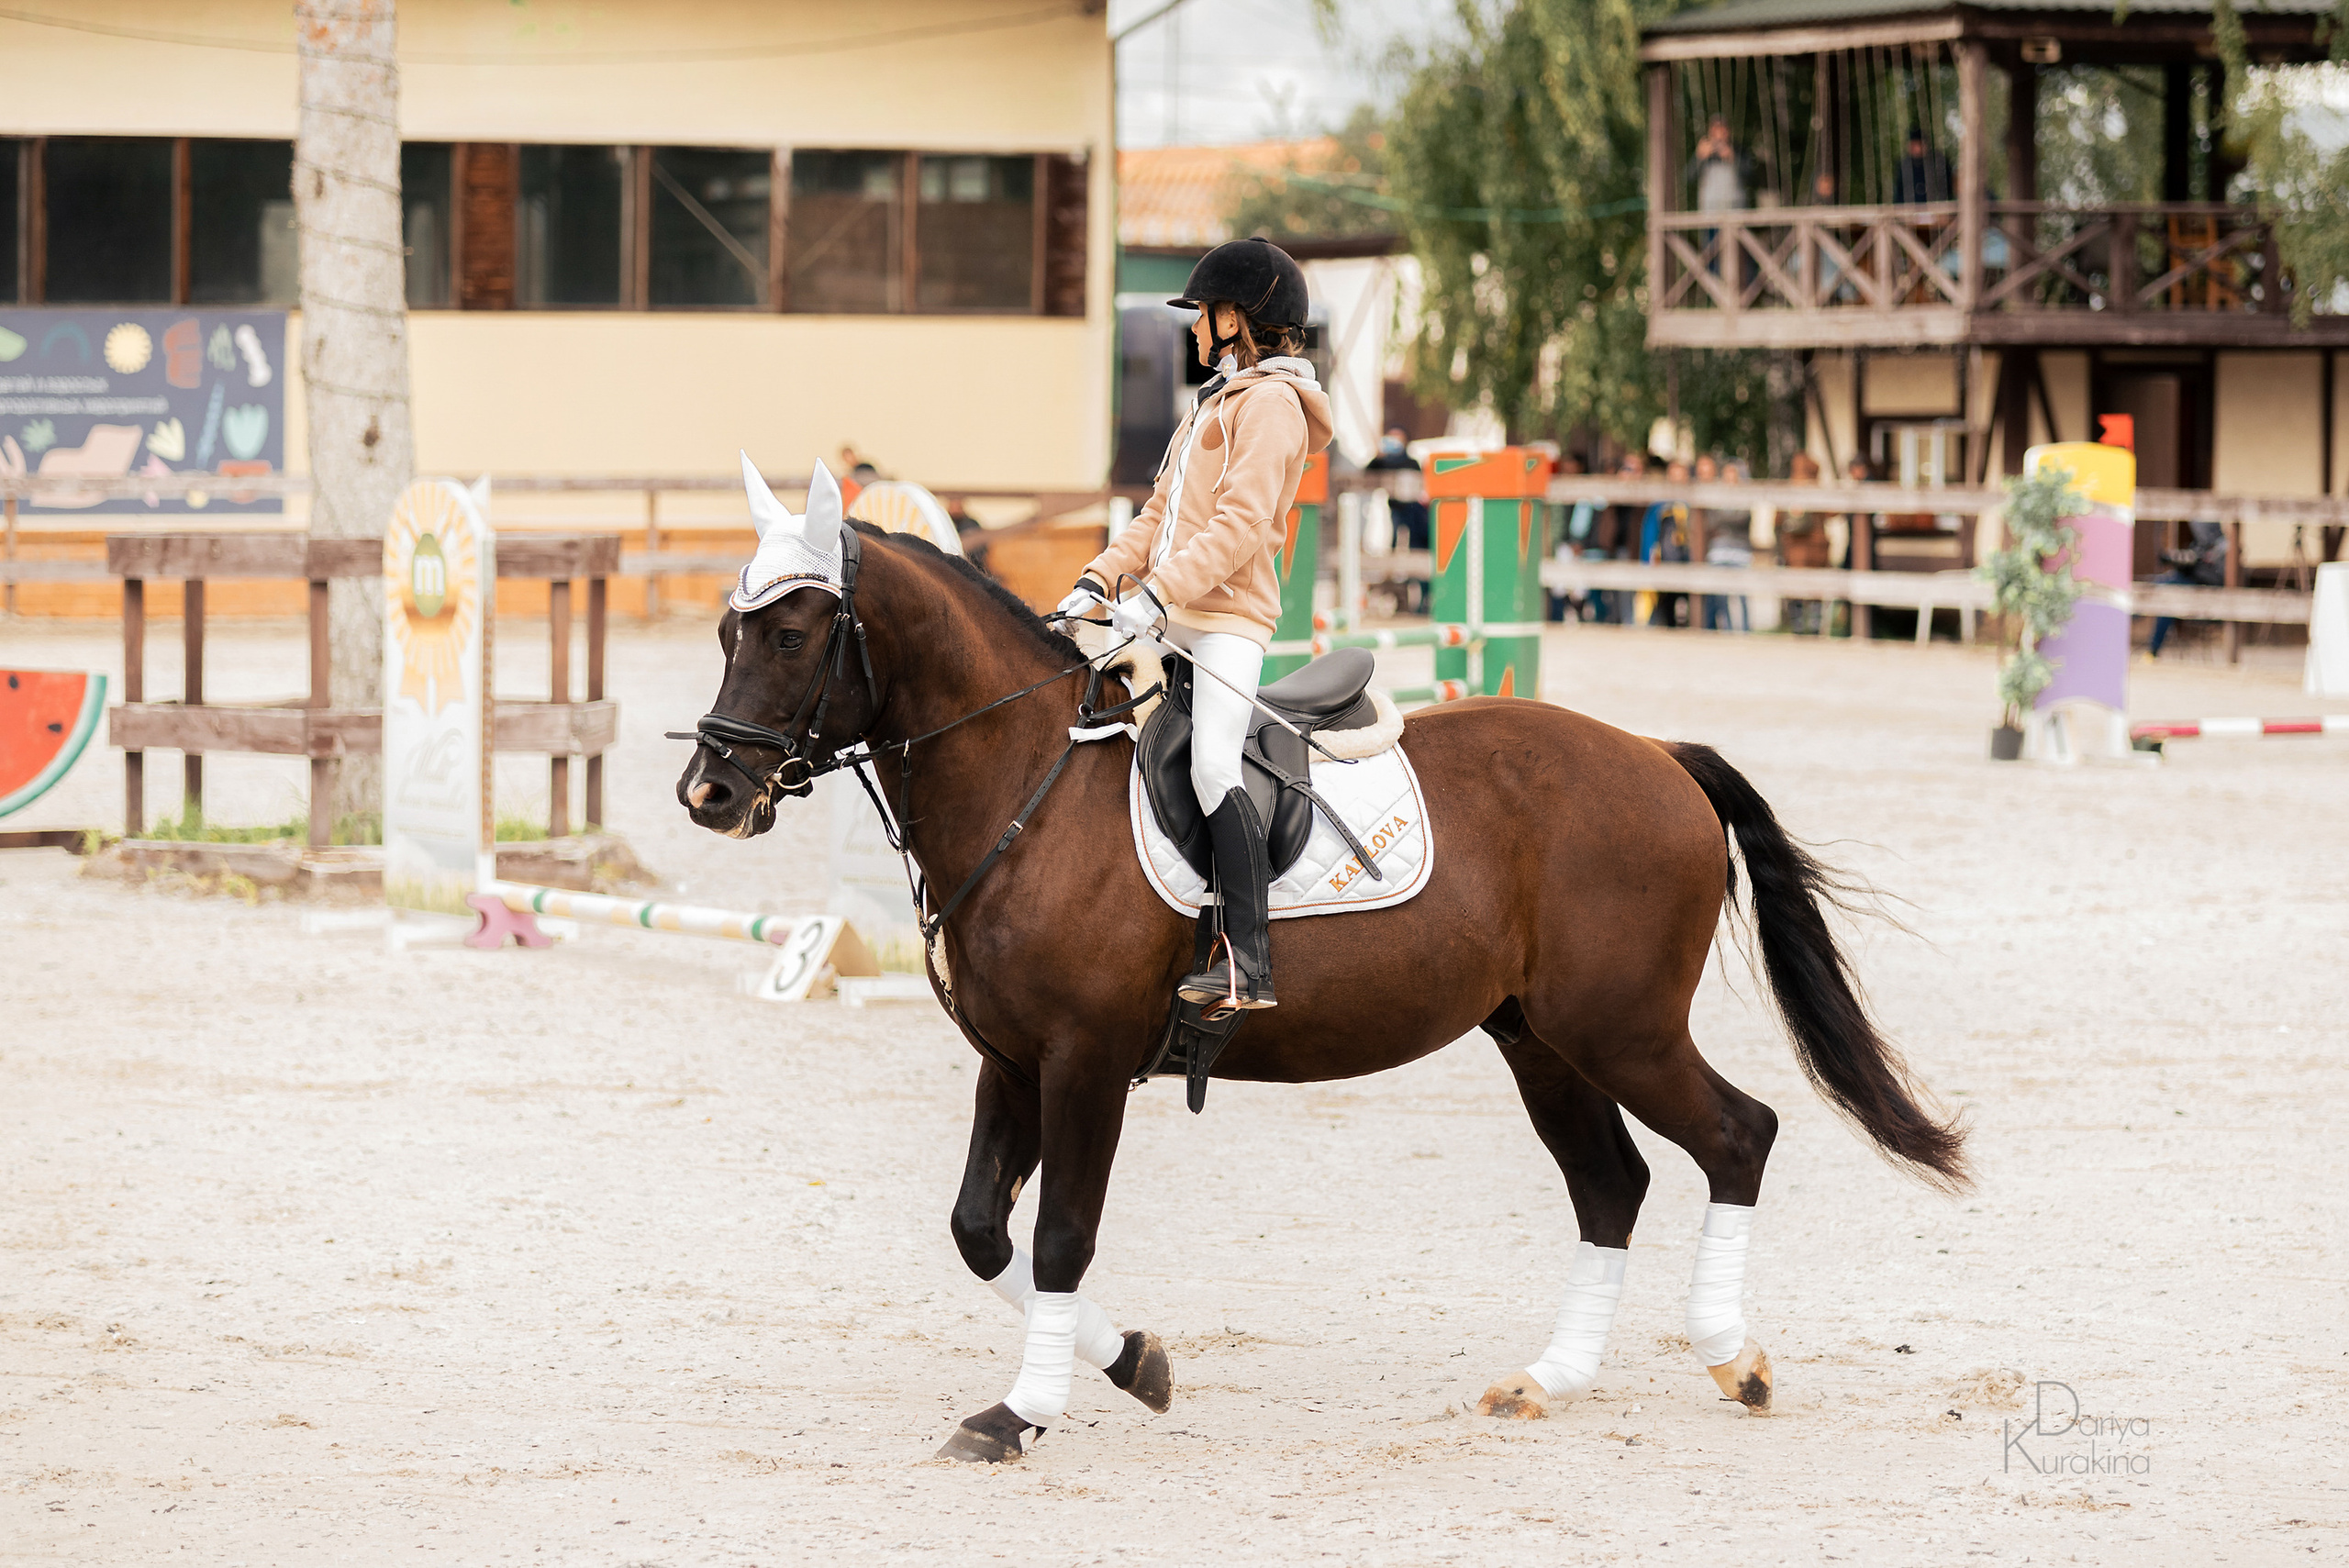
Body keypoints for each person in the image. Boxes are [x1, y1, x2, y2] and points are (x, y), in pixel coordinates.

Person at [1055, 237, 1331, 1013]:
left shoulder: (1274, 407)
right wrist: (1098, 579)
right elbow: (1154, 518)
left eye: (1203, 313)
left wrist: (1156, 596)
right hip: (1173, 619)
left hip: (1227, 625)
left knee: (1213, 764)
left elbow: (1241, 526)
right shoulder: (1211, 405)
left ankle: (1251, 961)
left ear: (1237, 318)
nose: (1194, 328)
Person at [1365, 426, 1430, 614]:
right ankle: (1394, 578)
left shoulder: (1410, 462)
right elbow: (1368, 472)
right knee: (1392, 545)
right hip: (1393, 512)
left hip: (1413, 514)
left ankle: (1422, 600)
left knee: (1416, 551)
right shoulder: (1384, 462)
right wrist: (1378, 456)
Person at [2148, 521, 2229, 657]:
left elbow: (2198, 563)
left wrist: (2174, 559)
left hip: (2206, 592)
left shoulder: (2220, 546)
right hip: (2194, 585)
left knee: (2168, 591)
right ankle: (2150, 644)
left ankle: (2153, 648)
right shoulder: (2203, 545)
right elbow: (2192, 559)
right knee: (2163, 585)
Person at [1701, 458, 1753, 632]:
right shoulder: (1716, 495)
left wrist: (1722, 520)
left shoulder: (1745, 496)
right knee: (1720, 596)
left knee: (1742, 595)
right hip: (1719, 550)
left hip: (1740, 550)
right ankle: (1727, 630)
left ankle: (1745, 630)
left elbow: (1741, 518)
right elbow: (1711, 520)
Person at [1642, 459, 1694, 628]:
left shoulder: (1693, 501)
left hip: (1688, 559)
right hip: (1665, 558)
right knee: (1665, 606)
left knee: (1692, 603)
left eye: (1681, 476)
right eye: (1674, 476)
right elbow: (1650, 533)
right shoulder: (1659, 504)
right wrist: (1650, 556)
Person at [1895, 127, 1953, 205]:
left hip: (1936, 208)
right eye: (1911, 145)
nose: (1913, 148)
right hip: (1911, 209)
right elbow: (1899, 192)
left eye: (1916, 145)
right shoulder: (1905, 164)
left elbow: (1947, 187)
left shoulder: (1938, 161)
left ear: (1924, 144)